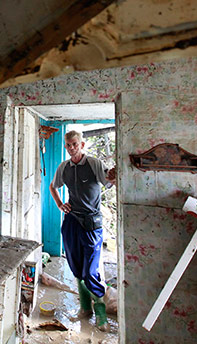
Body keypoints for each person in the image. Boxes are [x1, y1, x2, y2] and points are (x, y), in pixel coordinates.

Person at [49, 130, 116, 331]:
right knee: (76, 266)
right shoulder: (64, 167)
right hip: (71, 222)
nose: (71, 148)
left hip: (91, 223)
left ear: (82, 144)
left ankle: (101, 314)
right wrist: (60, 204)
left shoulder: (94, 164)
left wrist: (113, 176)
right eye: (68, 145)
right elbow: (53, 187)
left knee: (91, 270)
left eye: (74, 144)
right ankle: (85, 309)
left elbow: (109, 181)